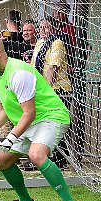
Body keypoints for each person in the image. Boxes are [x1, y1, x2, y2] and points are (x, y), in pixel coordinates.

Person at [0, 36, 84, 201]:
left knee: (36, 154)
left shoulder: (19, 73)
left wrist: (12, 137)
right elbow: (2, 109)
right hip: (30, 121)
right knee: (1, 160)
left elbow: (29, 113)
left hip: (51, 116)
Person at [31, 19, 72, 169]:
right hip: (43, 89)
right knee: (43, 124)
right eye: (41, 27)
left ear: (53, 29)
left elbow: (52, 68)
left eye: (46, 27)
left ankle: (61, 158)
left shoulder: (57, 43)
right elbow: (34, 66)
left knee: (56, 124)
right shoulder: (40, 43)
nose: (42, 30)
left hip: (58, 89)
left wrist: (45, 91)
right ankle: (42, 155)